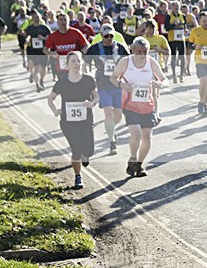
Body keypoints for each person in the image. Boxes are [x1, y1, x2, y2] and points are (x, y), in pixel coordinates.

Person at [111, 37, 167, 177]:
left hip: (147, 105)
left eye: (145, 52)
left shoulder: (151, 62)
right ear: (133, 50)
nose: (142, 55)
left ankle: (139, 164)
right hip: (129, 104)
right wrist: (122, 85)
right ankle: (133, 157)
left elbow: (164, 79)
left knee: (147, 137)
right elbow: (113, 77)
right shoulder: (126, 62)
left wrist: (160, 84)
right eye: (139, 51)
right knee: (136, 135)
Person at [47, 51, 99, 189]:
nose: (76, 64)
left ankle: (85, 155)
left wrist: (92, 103)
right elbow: (50, 98)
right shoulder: (62, 81)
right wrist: (55, 110)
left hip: (86, 121)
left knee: (88, 151)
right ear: (67, 64)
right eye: (73, 61)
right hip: (68, 122)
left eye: (78, 61)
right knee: (76, 150)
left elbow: (96, 96)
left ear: (82, 62)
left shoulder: (88, 80)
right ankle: (78, 177)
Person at [86, 24, 130, 154]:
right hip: (102, 84)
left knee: (118, 114)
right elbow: (85, 61)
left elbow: (129, 61)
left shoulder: (120, 47)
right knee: (108, 113)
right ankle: (112, 142)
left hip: (117, 84)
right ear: (101, 36)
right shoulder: (94, 48)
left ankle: (111, 129)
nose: (109, 38)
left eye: (111, 35)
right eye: (106, 36)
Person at [44, 11, 89, 81]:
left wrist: (81, 53)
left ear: (68, 21)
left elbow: (87, 45)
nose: (63, 22)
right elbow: (45, 49)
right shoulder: (53, 36)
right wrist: (51, 53)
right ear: (57, 22)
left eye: (65, 20)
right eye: (61, 20)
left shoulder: (76, 32)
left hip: (75, 64)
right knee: (64, 87)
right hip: (62, 65)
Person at [22, 10, 51, 92]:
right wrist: (27, 40)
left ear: (40, 18)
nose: (36, 19)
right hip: (34, 51)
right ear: (32, 19)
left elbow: (51, 38)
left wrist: (43, 38)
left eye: (37, 17)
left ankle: (41, 79)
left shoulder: (44, 28)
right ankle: (37, 85)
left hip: (43, 51)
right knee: (36, 68)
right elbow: (28, 35)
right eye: (34, 18)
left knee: (43, 68)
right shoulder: (30, 28)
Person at [165, 1, 189, 83]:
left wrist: (185, 30)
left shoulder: (183, 16)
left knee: (182, 57)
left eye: (178, 7)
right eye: (175, 7)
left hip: (181, 39)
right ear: (172, 7)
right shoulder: (169, 16)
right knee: (174, 57)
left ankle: (181, 75)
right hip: (172, 39)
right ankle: (174, 75)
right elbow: (166, 27)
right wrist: (173, 25)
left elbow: (185, 26)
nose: (176, 8)